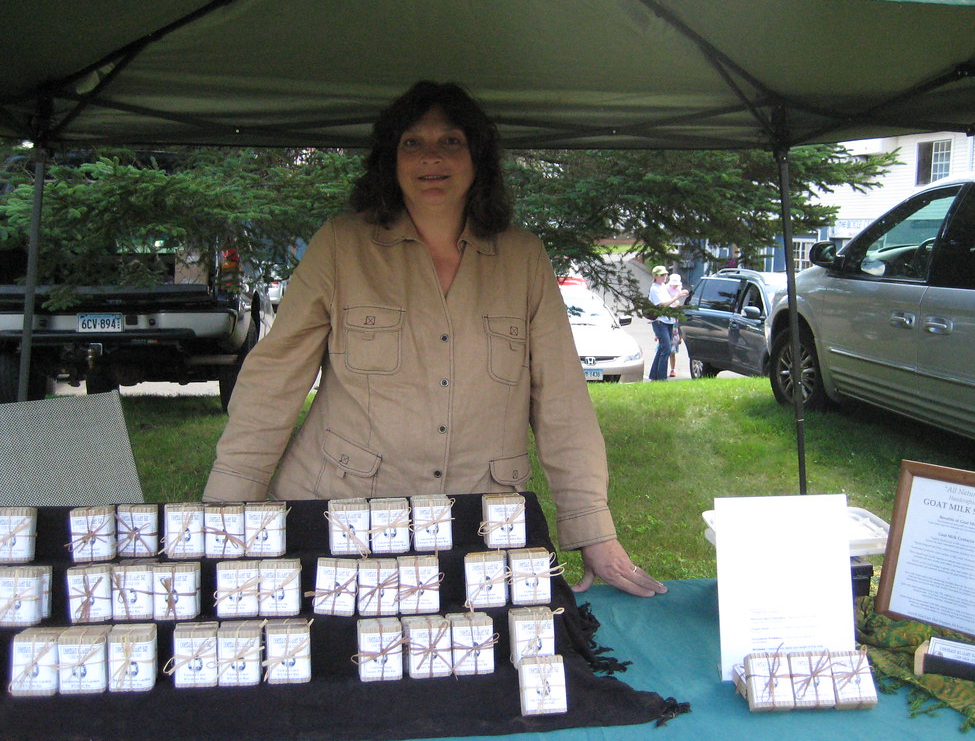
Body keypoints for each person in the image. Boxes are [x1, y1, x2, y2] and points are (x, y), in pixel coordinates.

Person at [203, 80, 666, 598]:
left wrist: (591, 527)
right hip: (344, 515)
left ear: (478, 159)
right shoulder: (341, 245)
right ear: (390, 158)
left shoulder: (524, 258)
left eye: (451, 142)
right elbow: (274, 378)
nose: (431, 159)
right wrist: (228, 513)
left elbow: (563, 400)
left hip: (483, 526)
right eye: (412, 143)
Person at [647, 266, 686, 381]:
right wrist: (676, 297)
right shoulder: (654, 289)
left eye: (665, 275)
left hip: (669, 321)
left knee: (662, 349)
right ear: (655, 276)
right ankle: (662, 377)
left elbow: (671, 300)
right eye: (662, 275)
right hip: (660, 322)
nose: (664, 277)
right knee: (667, 349)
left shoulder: (664, 287)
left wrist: (677, 298)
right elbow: (662, 304)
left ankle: (654, 376)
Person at [666, 273, 686, 377]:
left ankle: (672, 369)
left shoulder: (677, 303)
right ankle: (663, 368)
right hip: (666, 325)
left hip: (674, 327)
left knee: (672, 350)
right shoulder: (666, 294)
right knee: (665, 348)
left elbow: (679, 320)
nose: (674, 286)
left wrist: (680, 336)